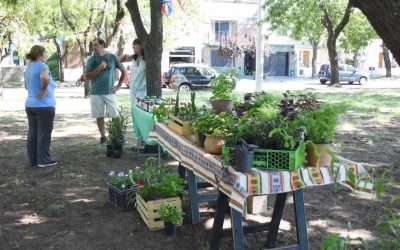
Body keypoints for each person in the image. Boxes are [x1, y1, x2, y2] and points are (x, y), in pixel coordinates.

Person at [85, 38, 126, 145]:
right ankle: (103, 137)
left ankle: (119, 136)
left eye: (96, 45)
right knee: (99, 115)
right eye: (93, 45)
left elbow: (123, 71)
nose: (94, 47)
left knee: (116, 115)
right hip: (95, 93)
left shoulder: (111, 57)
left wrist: (118, 86)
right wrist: (99, 68)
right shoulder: (91, 60)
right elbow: (87, 76)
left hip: (110, 92)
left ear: (102, 45)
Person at [24, 45, 57, 167]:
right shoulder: (43, 66)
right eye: (45, 53)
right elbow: (44, 77)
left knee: (33, 133)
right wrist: (43, 89)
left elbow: (27, 86)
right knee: (43, 133)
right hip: (44, 106)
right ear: (39, 55)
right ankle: (43, 160)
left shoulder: (28, 68)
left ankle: (33, 160)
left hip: (30, 104)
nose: (46, 55)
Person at [118, 39, 146, 106]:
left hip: (142, 89)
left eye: (135, 45)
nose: (133, 47)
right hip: (133, 88)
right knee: (134, 109)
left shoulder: (147, 58)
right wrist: (124, 55)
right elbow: (118, 60)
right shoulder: (134, 57)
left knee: (141, 109)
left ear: (141, 45)